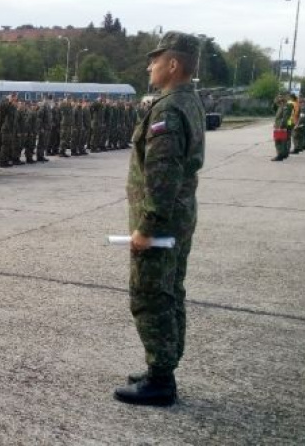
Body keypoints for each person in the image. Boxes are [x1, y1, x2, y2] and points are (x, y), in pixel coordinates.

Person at [115, 31, 205, 407]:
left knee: (150, 295)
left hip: (162, 222)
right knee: (171, 291)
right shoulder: (190, 101)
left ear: (173, 64)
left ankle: (161, 379)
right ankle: (163, 366)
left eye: (156, 59)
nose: (150, 65)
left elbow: (163, 176)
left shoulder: (168, 110)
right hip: (179, 217)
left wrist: (146, 228)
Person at [271, 93, 293, 162]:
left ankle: (280, 155)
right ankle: (284, 154)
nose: (279, 98)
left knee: (279, 141)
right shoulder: (281, 105)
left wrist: (281, 126)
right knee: (283, 140)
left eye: (281, 97)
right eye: (278, 97)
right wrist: (275, 101)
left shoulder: (286, 105)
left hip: (282, 125)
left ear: (285, 97)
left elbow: (285, 117)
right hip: (281, 125)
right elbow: (274, 109)